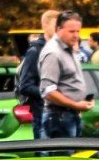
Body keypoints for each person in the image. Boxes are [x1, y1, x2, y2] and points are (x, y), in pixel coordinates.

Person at [37, 11, 94, 138]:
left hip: (69, 114)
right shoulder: (53, 52)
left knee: (71, 156)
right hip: (59, 116)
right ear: (58, 29)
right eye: (71, 31)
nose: (76, 35)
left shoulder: (69, 49)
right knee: (61, 157)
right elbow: (48, 91)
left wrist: (83, 102)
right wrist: (75, 104)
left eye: (78, 31)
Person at [16, 10, 59, 138]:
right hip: (43, 117)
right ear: (44, 26)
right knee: (45, 155)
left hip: (60, 118)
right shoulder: (36, 51)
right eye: (56, 25)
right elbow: (25, 86)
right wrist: (51, 94)